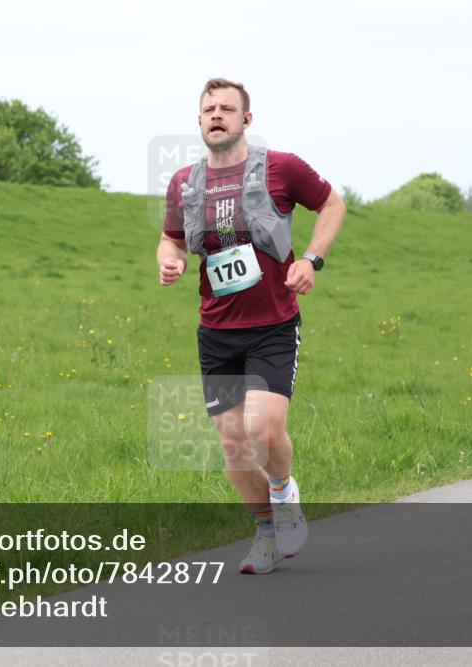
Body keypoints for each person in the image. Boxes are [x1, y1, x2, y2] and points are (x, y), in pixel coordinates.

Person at [157, 78, 346, 574]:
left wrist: (312, 259)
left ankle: (285, 493)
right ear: (199, 121)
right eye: (208, 109)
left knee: (261, 428)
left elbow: (332, 205)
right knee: (234, 447)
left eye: (227, 108)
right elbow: (171, 240)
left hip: (273, 326)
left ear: (246, 119)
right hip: (216, 332)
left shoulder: (282, 168)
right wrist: (169, 260)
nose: (216, 114)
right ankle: (265, 533)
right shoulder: (184, 183)